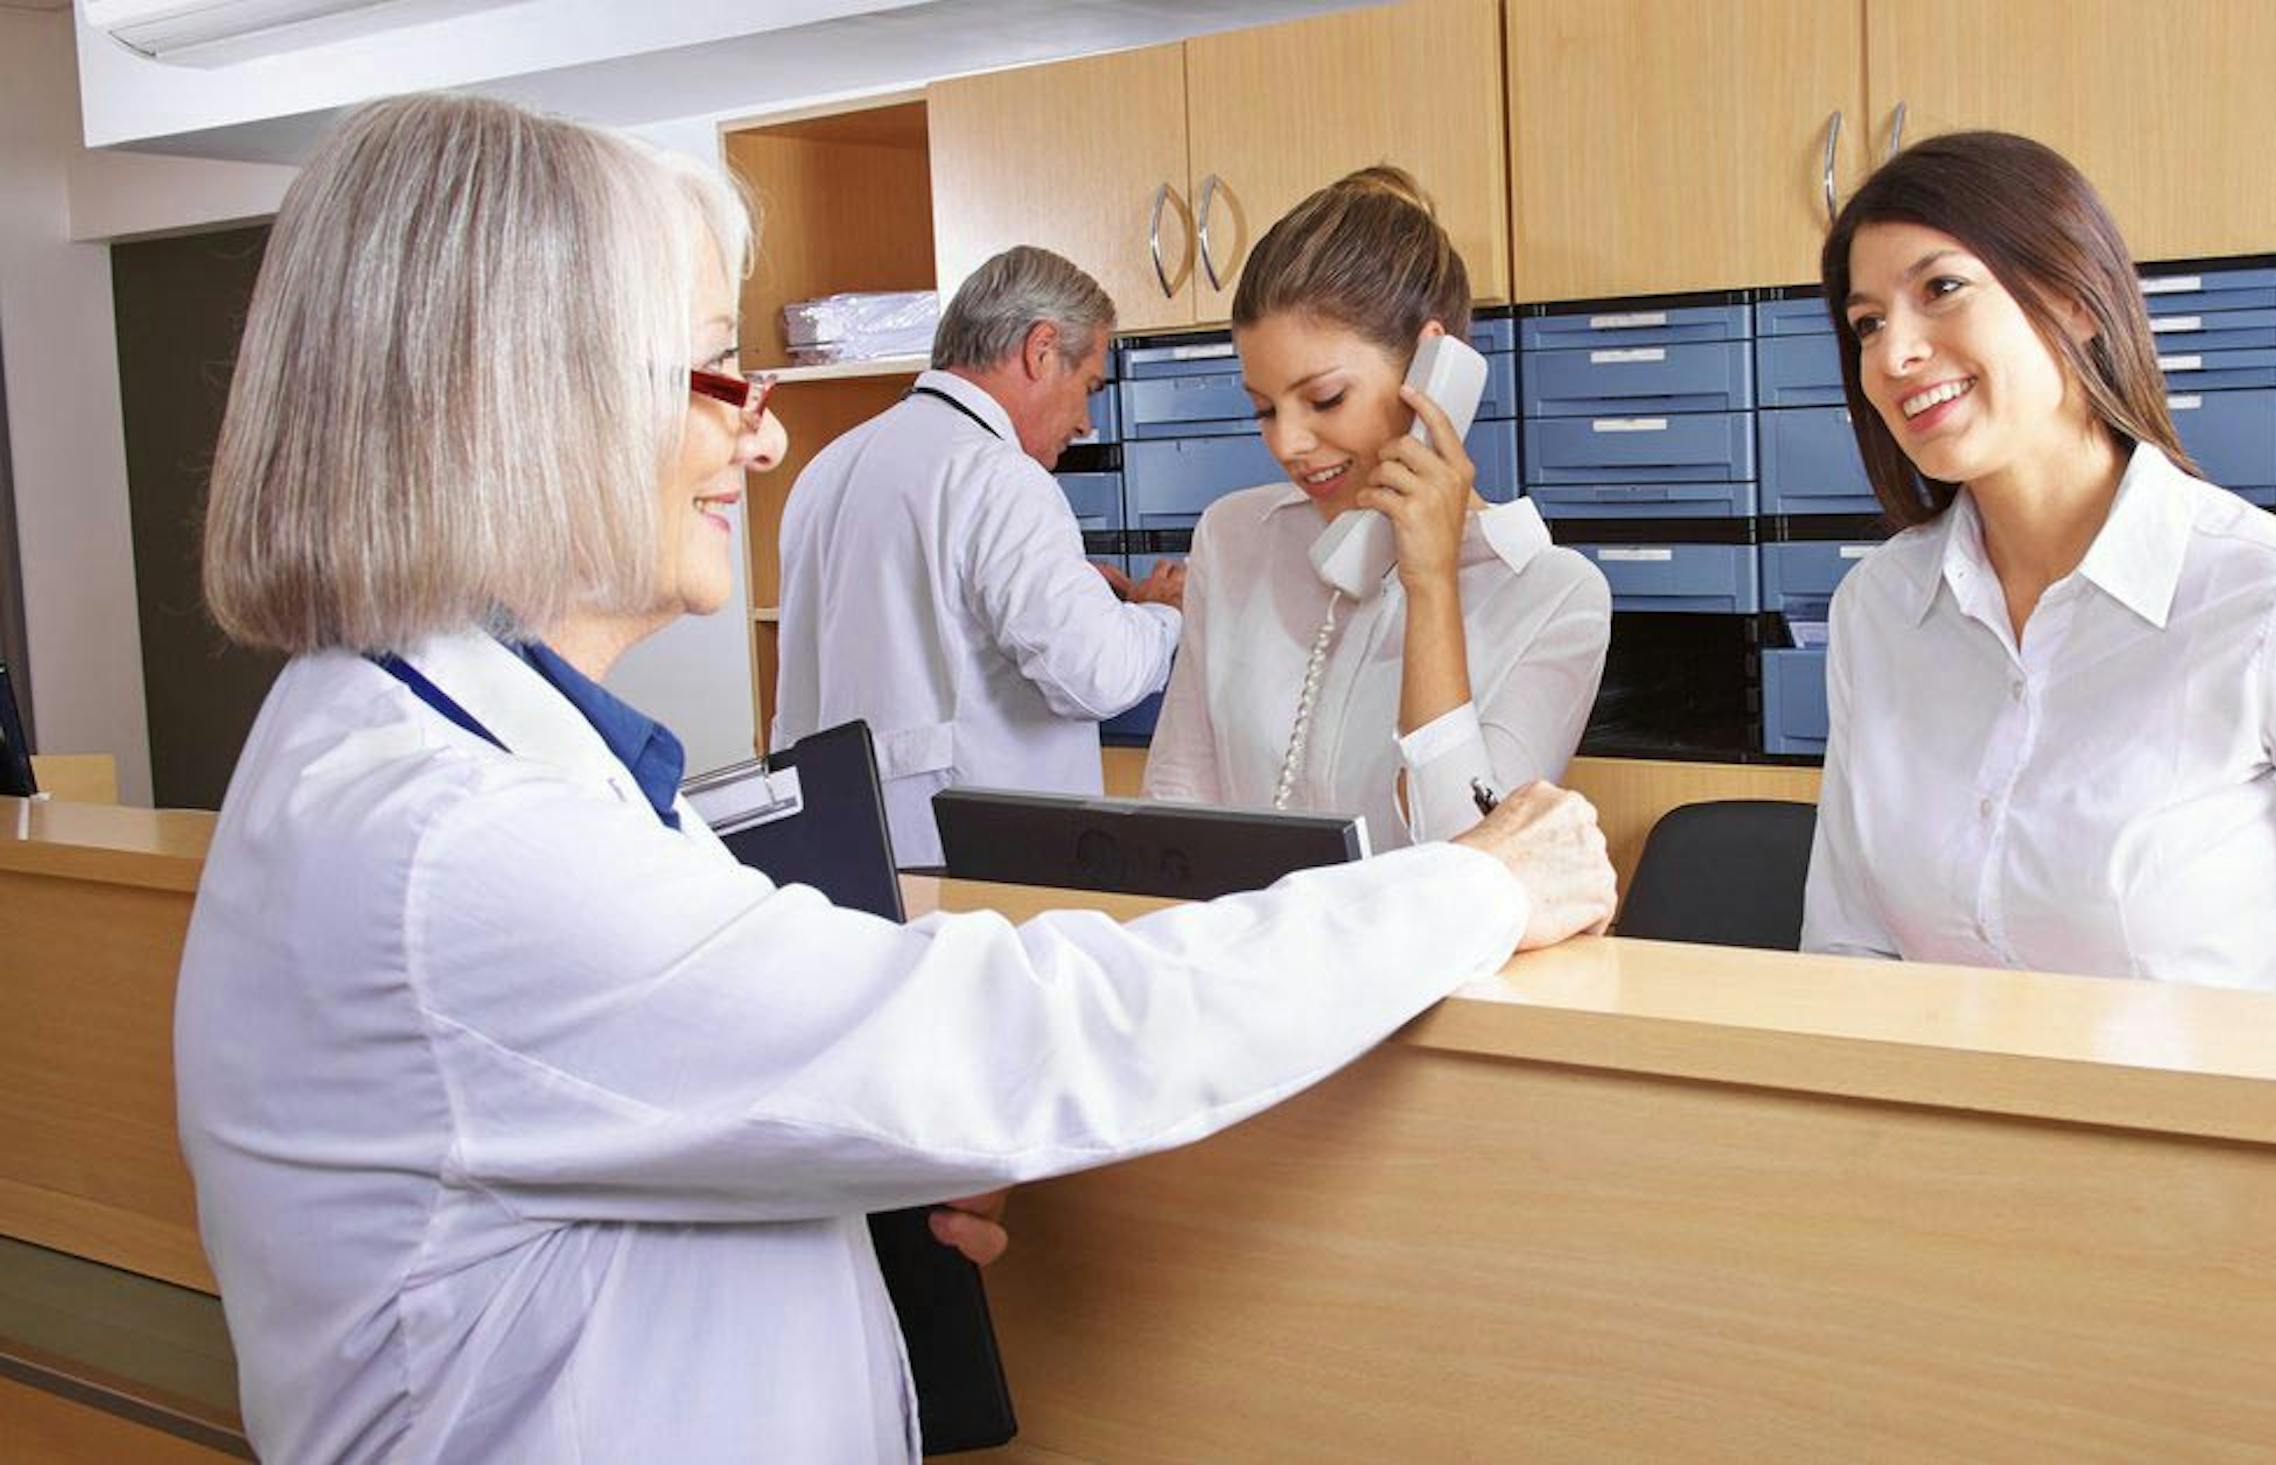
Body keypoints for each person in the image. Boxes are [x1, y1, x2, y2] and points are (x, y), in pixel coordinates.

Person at [178, 94, 1614, 1464]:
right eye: (711, 367)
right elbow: (1029, 1038)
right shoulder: (462, 848)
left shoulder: (439, 766)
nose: (767, 427)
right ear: (528, 403)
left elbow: (631, 1130)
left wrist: (868, 1176)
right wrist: (1469, 887)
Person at [1798, 131, 2276, 992]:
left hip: (2201, 1126)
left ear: (2074, 298)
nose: (1892, 354)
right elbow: (1847, 949)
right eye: (1868, 323)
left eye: (1942, 289)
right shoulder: (1876, 609)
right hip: (1936, 1123)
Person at [1142, 166, 1611, 851]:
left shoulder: (1555, 596)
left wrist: (1431, 584)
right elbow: (1175, 809)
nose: (1289, 444)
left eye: (1326, 398)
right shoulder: (1234, 536)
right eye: (1264, 409)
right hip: (1243, 956)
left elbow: (1471, 868)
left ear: (1432, 371)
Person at [772, 246, 1181, 870]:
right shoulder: (998, 476)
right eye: (1088, 386)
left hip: (841, 850)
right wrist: (1161, 614)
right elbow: (1094, 678)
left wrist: (1071, 592)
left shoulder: (828, 466)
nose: (1086, 422)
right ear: (1041, 350)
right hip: (966, 853)